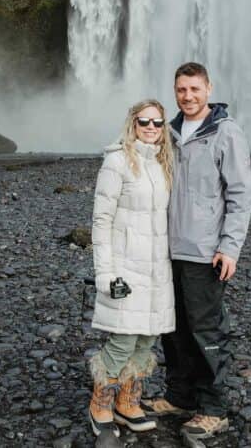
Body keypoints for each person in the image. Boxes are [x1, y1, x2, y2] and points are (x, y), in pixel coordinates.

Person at [142, 62, 251, 441]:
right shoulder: (168, 133)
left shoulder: (226, 133)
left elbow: (241, 194)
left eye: (194, 89)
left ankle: (213, 408)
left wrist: (230, 248)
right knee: (172, 330)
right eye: (180, 90)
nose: (187, 96)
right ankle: (180, 396)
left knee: (206, 330)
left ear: (208, 88)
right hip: (168, 250)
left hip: (205, 253)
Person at [87, 99, 176, 437]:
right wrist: (105, 274)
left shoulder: (163, 163)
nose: (151, 128)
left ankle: (127, 401)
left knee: (146, 339)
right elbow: (101, 221)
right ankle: (100, 403)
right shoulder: (116, 161)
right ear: (132, 123)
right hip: (125, 269)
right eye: (144, 122)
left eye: (157, 123)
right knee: (123, 340)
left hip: (156, 269)